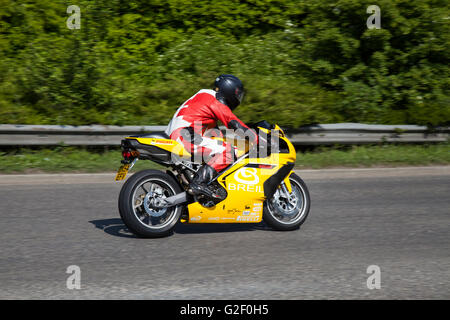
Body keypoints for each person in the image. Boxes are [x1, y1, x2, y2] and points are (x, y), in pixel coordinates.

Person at [165, 74, 258, 198]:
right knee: (228, 152)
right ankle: (199, 183)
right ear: (230, 91)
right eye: (237, 94)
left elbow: (216, 136)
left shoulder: (202, 98)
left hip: (178, 136)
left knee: (222, 149)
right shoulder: (213, 99)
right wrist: (256, 138)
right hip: (185, 136)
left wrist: (235, 143)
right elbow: (233, 123)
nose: (238, 98)